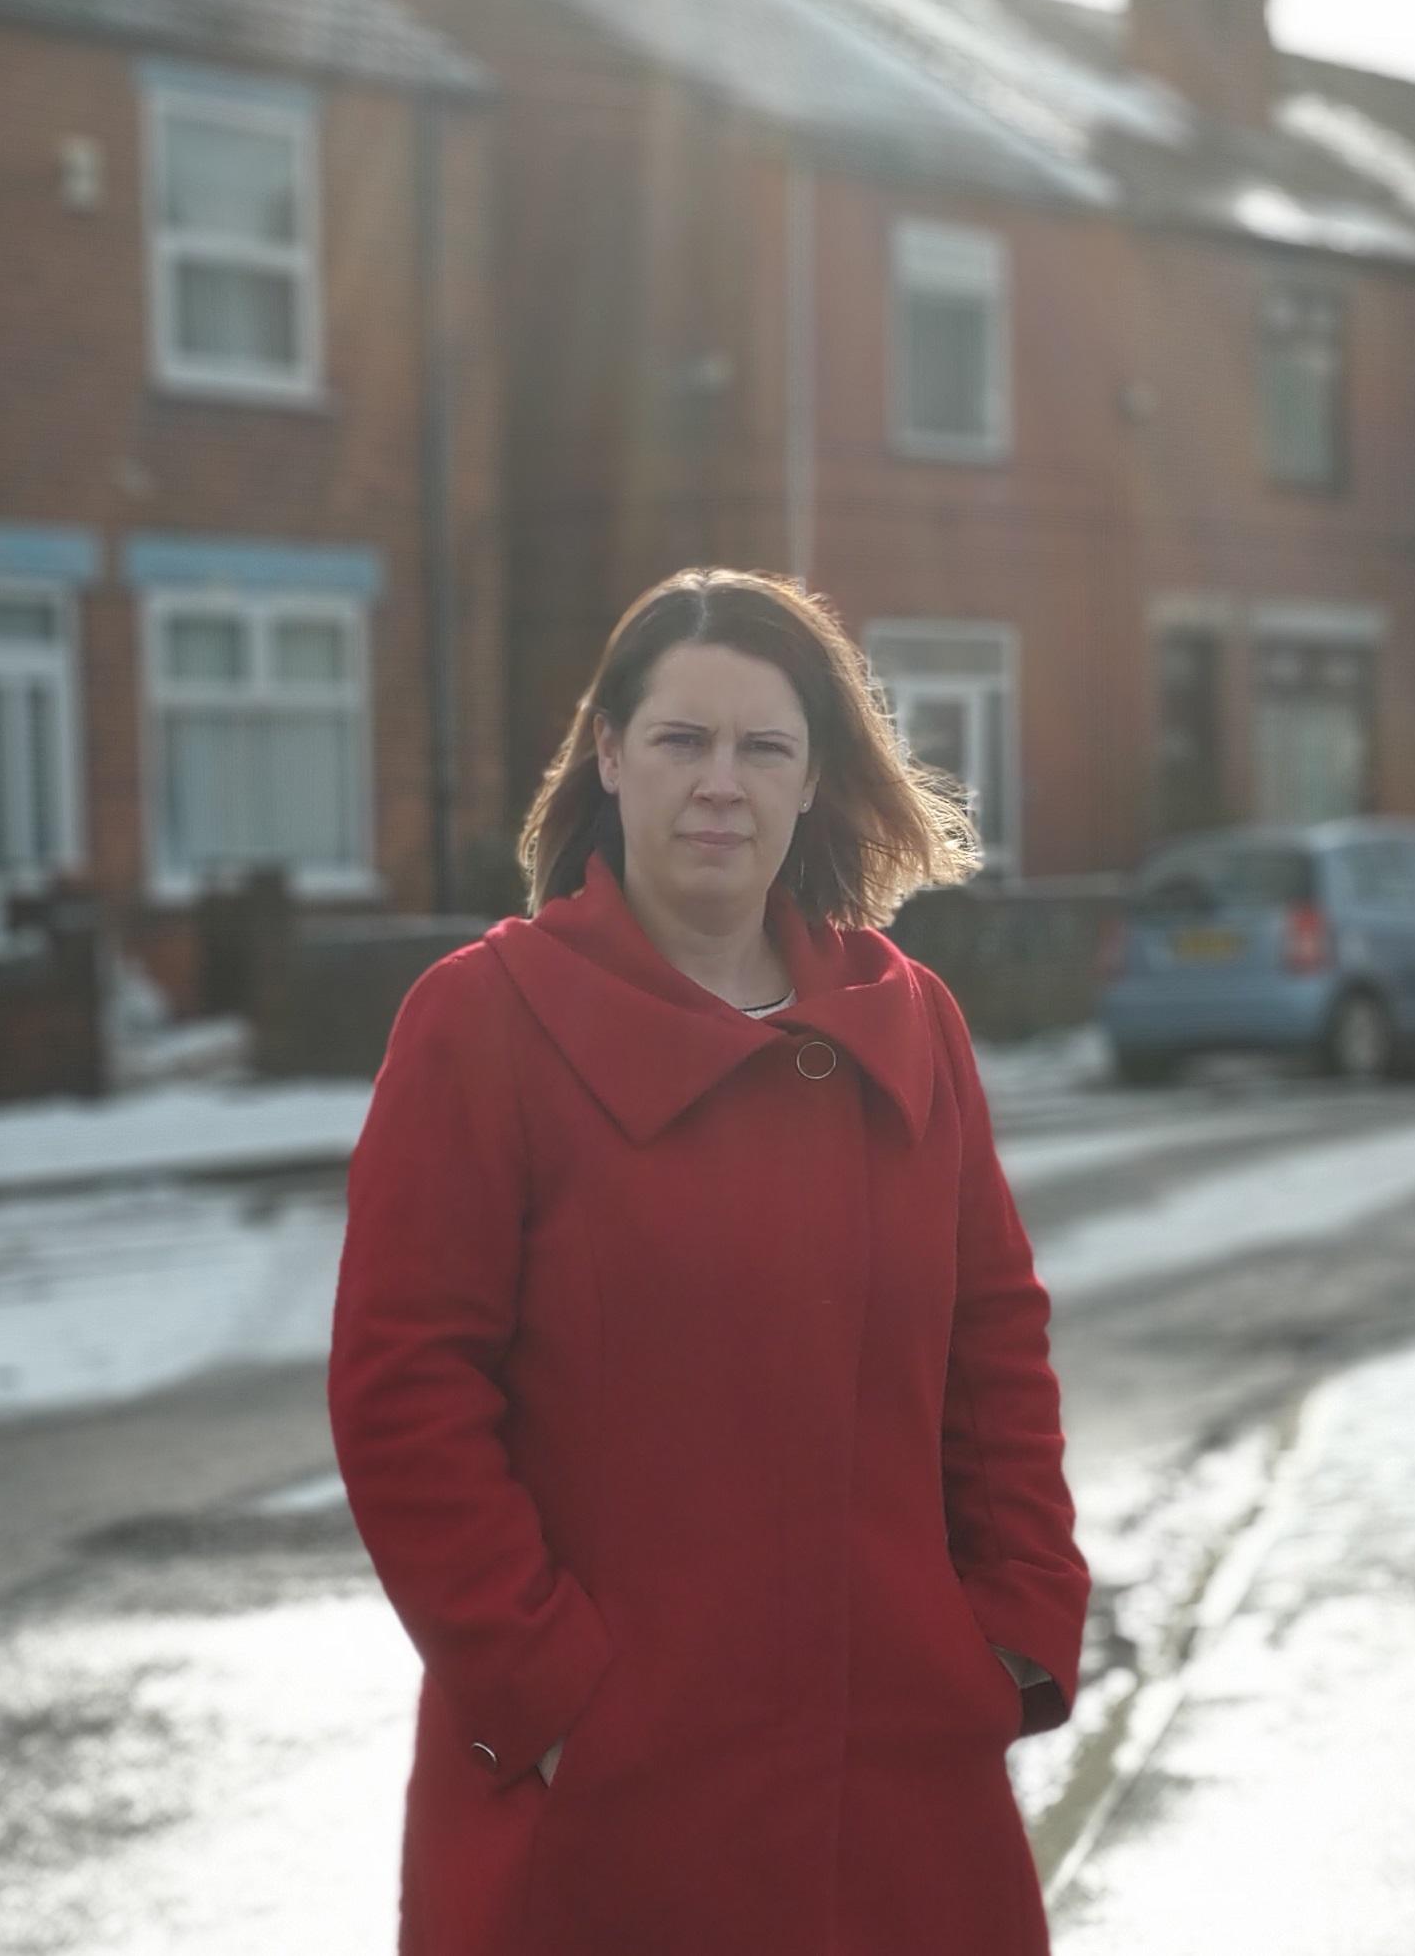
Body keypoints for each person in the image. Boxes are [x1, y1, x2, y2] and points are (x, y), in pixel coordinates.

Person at [330, 568, 1089, 1955]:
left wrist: (1018, 1628)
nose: (720, 783)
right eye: (681, 740)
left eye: (765, 747)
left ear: (816, 782)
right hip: (609, 1812)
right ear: (609, 756)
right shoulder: (481, 1025)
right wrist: (550, 1699)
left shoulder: (910, 1021)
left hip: (898, 1789)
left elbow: (996, 1351)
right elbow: (405, 1399)